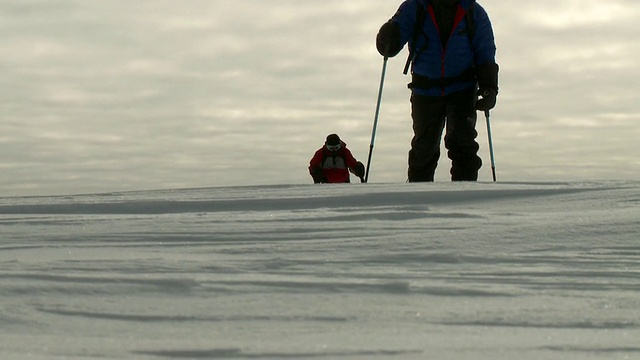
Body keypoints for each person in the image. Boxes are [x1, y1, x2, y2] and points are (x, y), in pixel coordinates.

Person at [376, 0, 499, 182]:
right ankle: (423, 200)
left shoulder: (473, 11)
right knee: (425, 148)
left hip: (459, 89)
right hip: (428, 90)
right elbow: (392, 42)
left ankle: (461, 199)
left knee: (461, 145)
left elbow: (485, 51)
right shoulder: (416, 7)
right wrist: (388, 38)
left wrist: (489, 87)